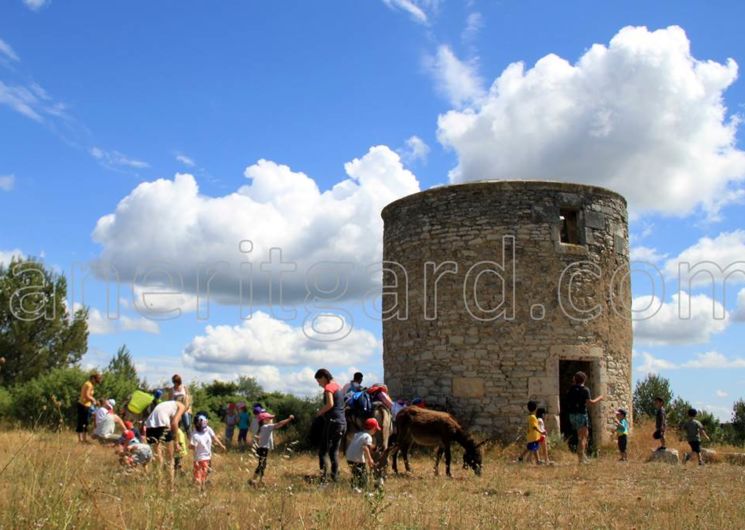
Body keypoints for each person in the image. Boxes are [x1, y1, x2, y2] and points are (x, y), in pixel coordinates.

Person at [315, 368, 347, 482]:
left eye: (319, 381)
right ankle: (335, 478)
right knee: (334, 451)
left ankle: (323, 478)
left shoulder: (329, 387)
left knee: (323, 451)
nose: (319, 385)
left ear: (323, 377)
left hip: (333, 422)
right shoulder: (337, 386)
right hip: (342, 423)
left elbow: (330, 404)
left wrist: (320, 412)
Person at [566, 371, 604, 464]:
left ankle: (583, 457)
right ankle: (581, 460)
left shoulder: (571, 389)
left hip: (572, 415)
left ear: (575, 379)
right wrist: (600, 398)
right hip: (581, 415)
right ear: (585, 380)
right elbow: (590, 403)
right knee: (583, 438)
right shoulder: (585, 390)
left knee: (580, 437)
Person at [143, 400, 186, 483]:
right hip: (162, 425)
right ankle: (170, 486)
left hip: (149, 426)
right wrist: (176, 442)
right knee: (170, 459)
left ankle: (158, 485)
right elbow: (174, 423)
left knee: (157, 459)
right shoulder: (182, 406)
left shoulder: (166, 404)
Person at [250, 411, 294, 484]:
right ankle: (254, 479)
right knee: (261, 465)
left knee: (263, 465)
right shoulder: (267, 426)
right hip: (263, 449)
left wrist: (258, 437)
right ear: (264, 420)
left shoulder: (263, 427)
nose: (271, 419)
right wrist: (288, 419)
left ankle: (261, 480)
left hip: (262, 448)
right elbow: (279, 424)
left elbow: (260, 437)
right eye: (269, 418)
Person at [190, 413, 226, 489]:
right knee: (199, 475)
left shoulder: (208, 429)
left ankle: (201, 487)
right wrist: (191, 446)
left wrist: (221, 445)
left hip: (207, 457)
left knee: (204, 474)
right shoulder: (195, 434)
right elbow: (193, 446)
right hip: (199, 458)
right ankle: (199, 489)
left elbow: (214, 437)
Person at [345, 417, 380, 491]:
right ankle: (360, 490)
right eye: (376, 429)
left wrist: (374, 447)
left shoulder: (358, 434)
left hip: (349, 457)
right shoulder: (368, 436)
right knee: (363, 478)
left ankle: (353, 487)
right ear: (373, 429)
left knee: (356, 474)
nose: (376, 431)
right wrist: (370, 459)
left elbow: (360, 443)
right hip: (358, 459)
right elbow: (365, 447)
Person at [77, 373, 102, 443]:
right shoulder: (89, 385)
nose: (96, 383)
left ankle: (82, 439)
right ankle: (82, 440)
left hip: (83, 404)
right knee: (84, 422)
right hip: (84, 405)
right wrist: (94, 400)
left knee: (82, 422)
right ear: (93, 378)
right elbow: (87, 395)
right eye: (96, 381)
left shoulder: (87, 383)